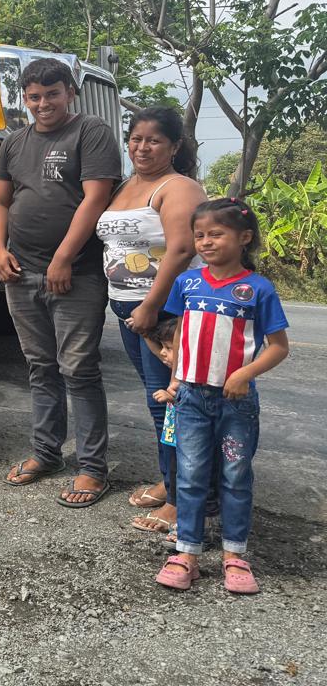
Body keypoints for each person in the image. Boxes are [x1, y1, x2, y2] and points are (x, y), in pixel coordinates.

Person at [0, 58, 122, 507]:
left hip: (77, 273)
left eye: (52, 94)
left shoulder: (90, 132)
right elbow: (0, 201)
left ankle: (92, 468)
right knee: (40, 367)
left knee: (79, 370)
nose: (43, 103)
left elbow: (96, 197)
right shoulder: (14, 142)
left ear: (70, 93)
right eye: (34, 97)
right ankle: (47, 453)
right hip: (21, 272)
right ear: (24, 99)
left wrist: (64, 258)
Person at [153, 199, 289, 594]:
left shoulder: (258, 289)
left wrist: (245, 374)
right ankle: (187, 553)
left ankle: (235, 555)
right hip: (191, 399)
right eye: (199, 235)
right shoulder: (187, 283)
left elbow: (279, 347)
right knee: (191, 476)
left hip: (236, 405)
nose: (206, 242)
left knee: (235, 477)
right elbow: (181, 335)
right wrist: (175, 381)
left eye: (216, 234)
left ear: (244, 238)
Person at [96, 106, 206, 534]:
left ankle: (180, 502)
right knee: (158, 400)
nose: (142, 148)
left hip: (165, 312)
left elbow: (181, 249)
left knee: (172, 404)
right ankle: (171, 481)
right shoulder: (126, 185)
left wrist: (150, 306)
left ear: (174, 146)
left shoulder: (178, 187)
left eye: (154, 140)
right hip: (129, 308)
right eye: (136, 139)